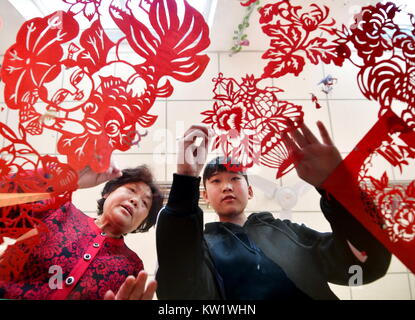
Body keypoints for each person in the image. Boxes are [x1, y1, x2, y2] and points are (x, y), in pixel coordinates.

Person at [155, 123, 392, 300]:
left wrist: (339, 187)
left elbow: (366, 264)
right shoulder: (200, 246)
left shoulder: (290, 234)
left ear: (249, 191)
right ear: (204, 196)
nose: (227, 186)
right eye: (216, 181)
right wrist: (185, 181)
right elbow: (179, 291)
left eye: (235, 178)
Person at [0, 160, 162, 300]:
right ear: (107, 193)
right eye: (131, 190)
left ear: (142, 222)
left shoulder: (132, 267)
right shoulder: (58, 209)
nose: (135, 200)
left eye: (145, 203)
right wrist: (66, 177)